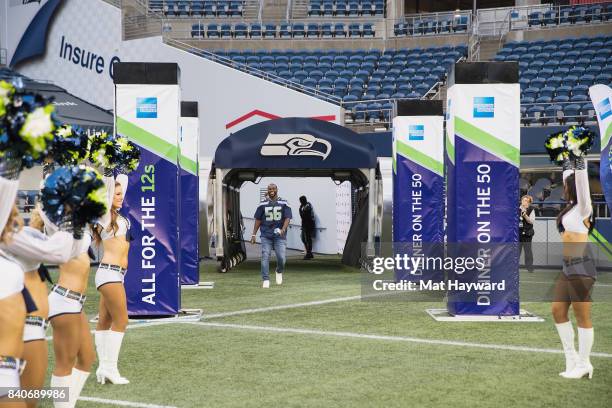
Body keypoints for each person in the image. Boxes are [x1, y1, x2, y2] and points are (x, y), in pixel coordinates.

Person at [0, 207, 73, 408]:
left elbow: (64, 248)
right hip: (23, 330)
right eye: (12, 214)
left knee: (31, 400)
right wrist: (68, 215)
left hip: (31, 330)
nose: (17, 219)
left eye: (16, 213)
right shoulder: (12, 241)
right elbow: (59, 253)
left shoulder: (22, 236)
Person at [552, 157, 596, 380]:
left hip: (581, 266)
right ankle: (570, 359)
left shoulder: (584, 208)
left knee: (581, 315)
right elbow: (568, 175)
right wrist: (565, 160)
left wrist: (580, 159)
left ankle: (584, 363)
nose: (563, 187)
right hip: (567, 266)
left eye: (566, 184)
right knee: (557, 310)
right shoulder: (570, 209)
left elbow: (582, 184)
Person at [93, 173, 130, 385]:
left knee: (105, 321)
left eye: (121, 194)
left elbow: (123, 177)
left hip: (115, 274)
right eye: (116, 194)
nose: (121, 197)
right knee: (121, 321)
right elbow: (114, 181)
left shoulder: (117, 215)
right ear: (108, 195)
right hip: (109, 273)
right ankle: (111, 369)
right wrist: (106, 158)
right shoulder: (105, 216)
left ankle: (102, 369)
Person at [250, 183, 292, 288]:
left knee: (281, 258)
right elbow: (258, 219)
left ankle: (279, 271)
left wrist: (283, 229)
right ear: (267, 190)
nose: (271, 190)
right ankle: (266, 279)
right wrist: (253, 234)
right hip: (266, 234)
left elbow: (287, 217)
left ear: (277, 189)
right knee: (265, 256)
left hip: (279, 235)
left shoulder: (284, 202)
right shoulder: (262, 204)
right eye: (269, 189)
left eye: (273, 188)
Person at [519, 195, 535, 272]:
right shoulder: (516, 209)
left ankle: (529, 268)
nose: (524, 202)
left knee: (528, 251)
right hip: (518, 233)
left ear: (529, 203)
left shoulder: (531, 210)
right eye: (523, 200)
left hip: (527, 234)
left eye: (526, 201)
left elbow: (531, 221)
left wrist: (525, 215)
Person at [298, 196, 315, 260]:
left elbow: (303, 216)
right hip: (305, 225)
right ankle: (309, 252)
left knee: (308, 239)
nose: (300, 202)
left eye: (301, 201)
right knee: (303, 238)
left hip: (308, 225)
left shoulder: (307, 207)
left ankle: (309, 253)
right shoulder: (306, 205)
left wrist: (300, 209)